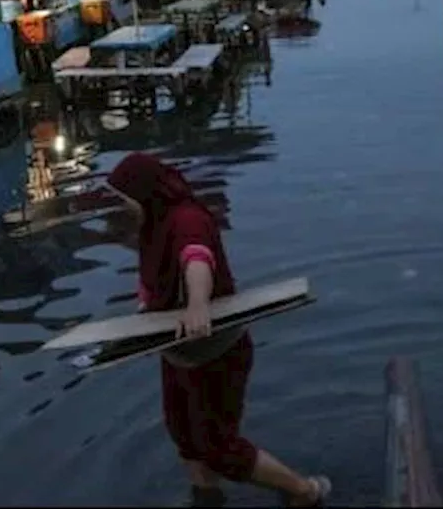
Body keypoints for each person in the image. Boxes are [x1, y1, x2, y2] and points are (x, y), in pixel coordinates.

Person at [105, 152, 332, 508]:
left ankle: (303, 491)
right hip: (178, 350)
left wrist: (197, 304)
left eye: (126, 199)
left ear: (146, 192)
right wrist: (142, 323)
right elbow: (153, 283)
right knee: (182, 433)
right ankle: (207, 497)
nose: (122, 208)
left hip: (217, 351)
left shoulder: (187, 219)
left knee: (217, 446)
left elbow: (197, 259)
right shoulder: (152, 226)